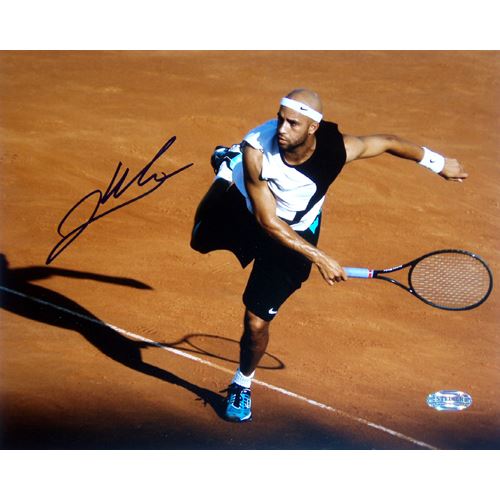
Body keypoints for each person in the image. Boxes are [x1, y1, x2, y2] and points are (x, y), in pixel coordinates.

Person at [190, 88, 468, 423]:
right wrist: (320, 257)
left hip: (298, 226)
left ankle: (242, 383)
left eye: (293, 123)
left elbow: (386, 141)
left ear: (313, 128)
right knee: (199, 241)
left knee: (256, 322)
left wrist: (437, 163)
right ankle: (227, 166)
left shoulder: (336, 150)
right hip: (252, 210)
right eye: (280, 119)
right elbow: (268, 221)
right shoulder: (257, 150)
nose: (281, 128)